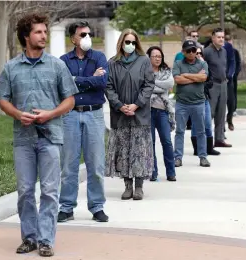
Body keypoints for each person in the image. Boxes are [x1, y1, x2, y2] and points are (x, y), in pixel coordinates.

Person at [0, 13, 78, 257]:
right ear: (26, 36)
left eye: (44, 31)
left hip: (51, 136)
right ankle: (29, 238)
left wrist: (50, 114)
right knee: (25, 191)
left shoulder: (57, 65)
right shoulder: (11, 68)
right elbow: (3, 100)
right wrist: (19, 115)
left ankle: (46, 240)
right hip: (23, 139)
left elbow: (70, 100)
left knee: (50, 191)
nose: (43, 36)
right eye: (38, 32)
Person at [57, 21, 109, 223]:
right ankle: (67, 207)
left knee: (95, 163)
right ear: (73, 39)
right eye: (82, 34)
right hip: (69, 115)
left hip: (94, 114)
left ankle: (97, 207)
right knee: (68, 164)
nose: (87, 37)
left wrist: (76, 79)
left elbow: (102, 83)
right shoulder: (63, 60)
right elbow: (63, 86)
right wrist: (89, 78)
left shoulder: (99, 57)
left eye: (89, 33)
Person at [105, 28, 155, 200]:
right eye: (127, 42)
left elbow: (149, 85)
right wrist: (120, 105)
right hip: (120, 115)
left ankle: (139, 186)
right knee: (124, 150)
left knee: (139, 151)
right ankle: (127, 185)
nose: (130, 45)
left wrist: (136, 104)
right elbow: (108, 87)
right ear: (121, 43)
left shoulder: (144, 61)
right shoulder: (112, 63)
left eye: (133, 42)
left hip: (140, 115)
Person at [173, 40, 211, 168]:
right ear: (183, 52)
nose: (191, 53)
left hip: (198, 103)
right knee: (180, 131)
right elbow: (177, 79)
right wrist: (196, 77)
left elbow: (204, 78)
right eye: (188, 50)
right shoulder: (178, 63)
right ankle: (177, 158)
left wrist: (187, 75)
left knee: (201, 131)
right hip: (181, 103)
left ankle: (203, 157)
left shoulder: (203, 63)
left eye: (193, 50)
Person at [146, 46, 176, 182]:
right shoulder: (144, 72)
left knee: (167, 141)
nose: (157, 58)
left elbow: (170, 84)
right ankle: (153, 172)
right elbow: (143, 87)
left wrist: (152, 84)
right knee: (150, 142)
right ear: (149, 57)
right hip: (148, 111)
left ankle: (171, 172)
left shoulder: (166, 71)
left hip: (163, 110)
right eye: (154, 56)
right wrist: (160, 86)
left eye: (159, 56)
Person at [203, 28, 232, 148]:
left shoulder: (224, 51)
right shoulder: (207, 52)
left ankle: (219, 139)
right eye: (219, 37)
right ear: (213, 38)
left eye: (222, 37)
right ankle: (206, 141)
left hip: (223, 84)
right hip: (212, 85)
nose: (221, 39)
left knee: (221, 113)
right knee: (210, 113)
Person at [191, 46, 221, 156]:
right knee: (196, 124)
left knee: (208, 123)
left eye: (200, 53)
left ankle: (209, 148)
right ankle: (196, 148)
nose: (198, 55)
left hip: (204, 99)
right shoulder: (189, 67)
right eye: (196, 53)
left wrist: (200, 81)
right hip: (193, 100)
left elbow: (210, 82)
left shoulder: (206, 67)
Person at [224, 34, 236, 131]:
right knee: (220, 104)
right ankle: (221, 126)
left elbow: (234, 63)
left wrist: (230, 74)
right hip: (219, 79)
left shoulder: (230, 49)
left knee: (231, 102)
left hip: (230, 79)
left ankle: (230, 120)